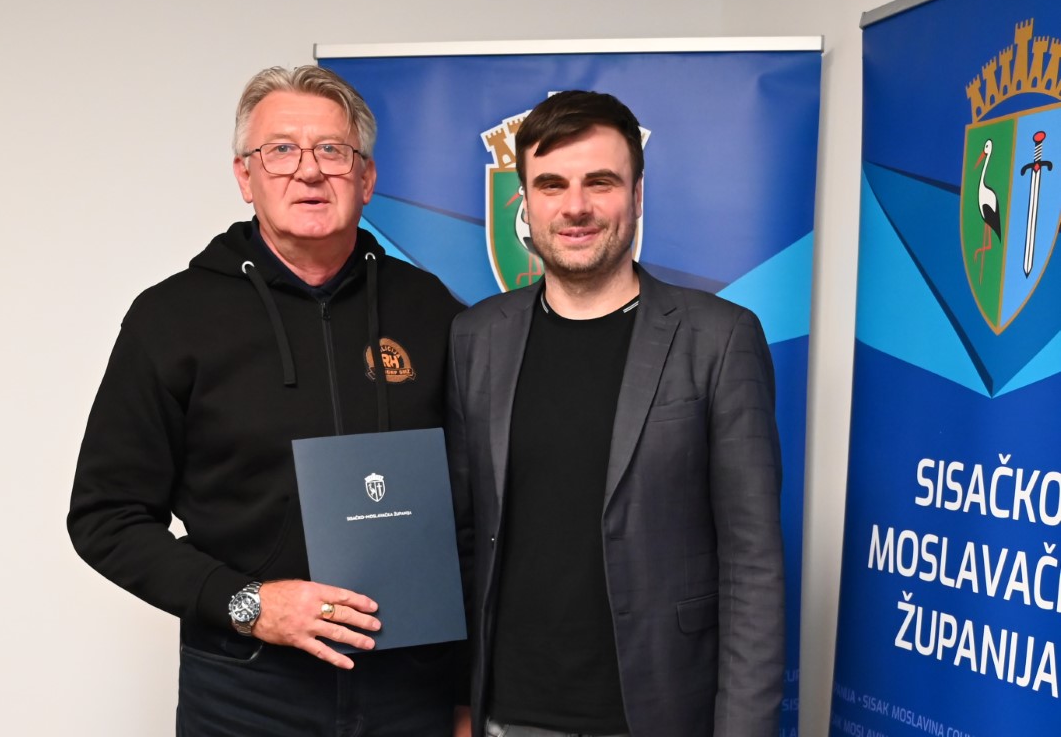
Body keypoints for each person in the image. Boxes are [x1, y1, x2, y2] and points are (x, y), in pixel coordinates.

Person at [68, 65, 469, 736]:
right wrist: (249, 604)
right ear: (244, 176)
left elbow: (474, 513)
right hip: (245, 690)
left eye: (332, 150)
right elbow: (106, 518)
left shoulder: (432, 312)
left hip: (411, 690)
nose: (308, 171)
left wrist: (465, 693)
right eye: (281, 149)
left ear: (367, 178)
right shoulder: (171, 319)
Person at [445, 90, 785, 737]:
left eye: (600, 182)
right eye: (551, 184)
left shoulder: (720, 338)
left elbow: (753, 566)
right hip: (508, 719)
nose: (575, 206)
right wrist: (460, 704)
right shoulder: (475, 337)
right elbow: (463, 538)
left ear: (637, 195)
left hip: (661, 715)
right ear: (526, 202)